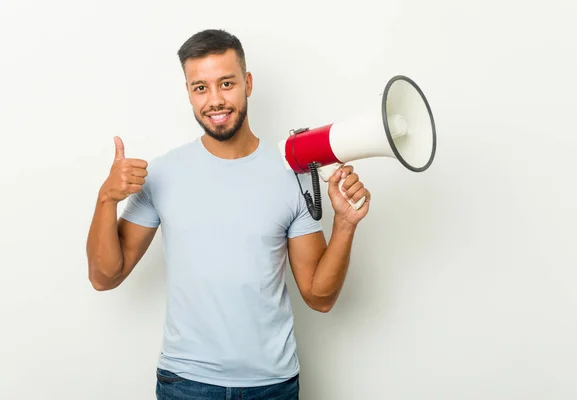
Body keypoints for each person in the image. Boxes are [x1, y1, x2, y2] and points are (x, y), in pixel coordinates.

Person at [86, 29, 371, 400]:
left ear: (247, 83)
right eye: (200, 87)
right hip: (185, 384)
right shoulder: (163, 173)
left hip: (272, 385)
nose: (215, 100)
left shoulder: (291, 173)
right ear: (188, 92)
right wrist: (106, 198)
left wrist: (346, 225)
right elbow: (105, 276)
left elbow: (320, 296)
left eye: (226, 83)